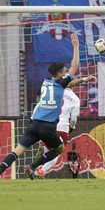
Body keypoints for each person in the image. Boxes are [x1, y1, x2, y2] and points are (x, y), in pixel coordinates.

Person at [0, 33, 79, 179]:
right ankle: (33, 166)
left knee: (16, 152)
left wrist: (83, 80)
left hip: (33, 124)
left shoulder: (46, 82)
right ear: (62, 74)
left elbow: (69, 83)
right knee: (59, 149)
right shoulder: (62, 84)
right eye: (65, 71)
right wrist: (76, 46)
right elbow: (75, 66)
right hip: (48, 127)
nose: (67, 71)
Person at [33, 75, 95, 179]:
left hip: (48, 124)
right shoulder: (75, 98)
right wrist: (72, 127)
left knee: (49, 150)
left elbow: (39, 106)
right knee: (56, 152)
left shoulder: (52, 92)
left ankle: (43, 149)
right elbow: (74, 118)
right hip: (62, 126)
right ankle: (42, 170)